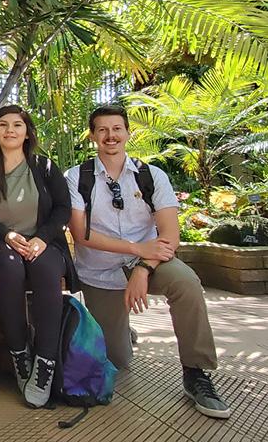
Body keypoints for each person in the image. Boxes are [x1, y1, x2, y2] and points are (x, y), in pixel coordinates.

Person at [66, 104, 230, 419]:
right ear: (92, 136)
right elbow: (81, 234)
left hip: (150, 262)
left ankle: (196, 372)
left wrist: (143, 268)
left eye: (116, 129)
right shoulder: (77, 177)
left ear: (128, 132)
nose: (110, 136)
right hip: (100, 270)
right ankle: (122, 333)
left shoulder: (151, 176)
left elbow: (169, 234)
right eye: (102, 130)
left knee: (185, 282)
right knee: (119, 360)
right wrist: (137, 249)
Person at [0, 105, 77, 407]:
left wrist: (43, 239)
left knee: (46, 271)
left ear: (27, 132)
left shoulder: (44, 167)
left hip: (42, 242)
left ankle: (45, 362)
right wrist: (7, 234)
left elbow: (62, 208)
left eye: (17, 125)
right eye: (3, 125)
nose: (10, 130)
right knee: (10, 268)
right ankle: (19, 353)